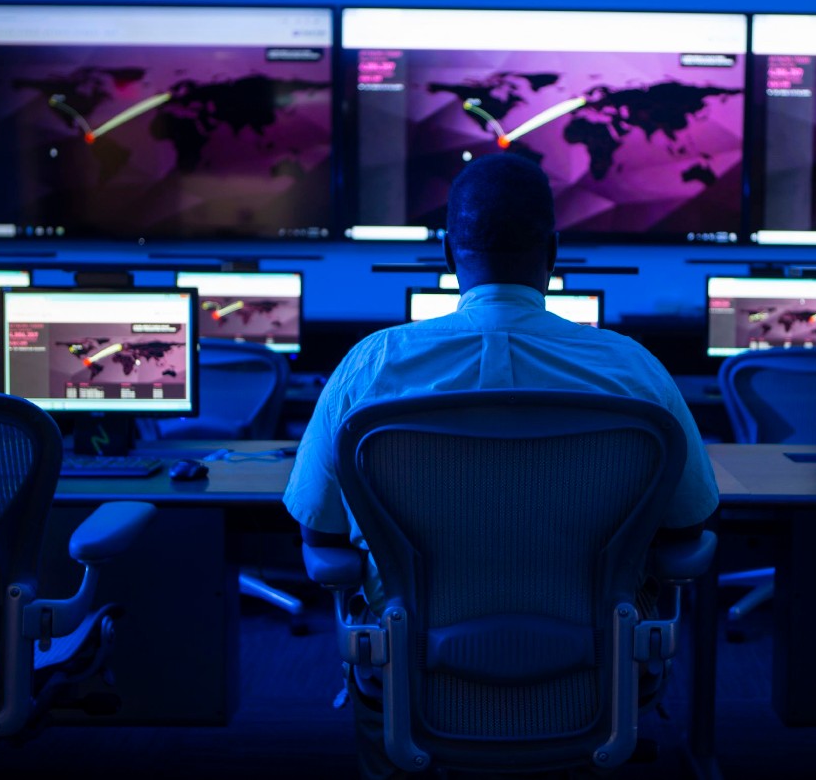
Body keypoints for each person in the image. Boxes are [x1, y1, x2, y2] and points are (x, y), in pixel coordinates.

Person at [283, 153, 718, 778]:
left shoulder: (370, 366)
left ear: (446, 254)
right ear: (555, 252)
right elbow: (688, 529)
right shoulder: (634, 369)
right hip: (595, 669)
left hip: (412, 667)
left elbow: (320, 535)